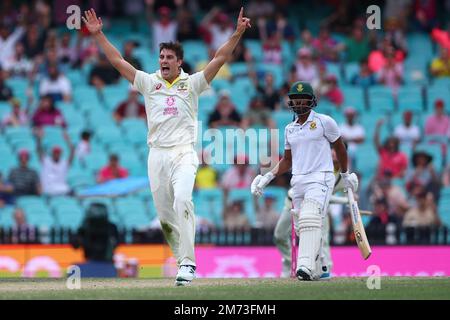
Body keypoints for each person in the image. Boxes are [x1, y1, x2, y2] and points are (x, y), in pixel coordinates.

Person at [82, 7, 251, 286]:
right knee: (164, 218)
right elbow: (117, 61)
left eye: (169, 57)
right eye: (161, 56)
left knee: (183, 198)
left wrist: (237, 33)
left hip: (184, 152)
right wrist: (98, 35)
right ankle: (181, 262)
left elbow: (220, 58)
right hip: (157, 154)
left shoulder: (193, 83)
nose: (163, 60)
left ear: (179, 62)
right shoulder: (149, 83)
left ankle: (188, 263)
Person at [251, 81, 358, 281]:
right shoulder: (290, 129)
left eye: (304, 99)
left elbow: (340, 148)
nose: (299, 102)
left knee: (310, 218)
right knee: (303, 226)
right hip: (298, 180)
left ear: (312, 101)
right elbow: (288, 160)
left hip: (321, 177)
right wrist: (267, 177)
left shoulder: (325, 121)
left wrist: (344, 174)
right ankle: (320, 267)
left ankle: (304, 267)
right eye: (295, 99)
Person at [273, 148, 357, 278]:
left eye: (337, 151)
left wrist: (351, 197)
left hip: (318, 208)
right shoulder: (318, 164)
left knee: (322, 238)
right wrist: (343, 200)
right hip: (294, 203)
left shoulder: (343, 176)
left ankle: (325, 269)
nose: (333, 153)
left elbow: (332, 195)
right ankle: (291, 261)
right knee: (279, 235)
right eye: (331, 150)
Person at [35, 128, 74, 196]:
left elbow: (72, 152)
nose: (56, 154)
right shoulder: (46, 161)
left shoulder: (64, 163)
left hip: (62, 188)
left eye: (58, 153)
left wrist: (68, 140)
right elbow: (39, 150)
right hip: (48, 189)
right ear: (52, 153)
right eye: (55, 152)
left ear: (60, 154)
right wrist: (39, 139)